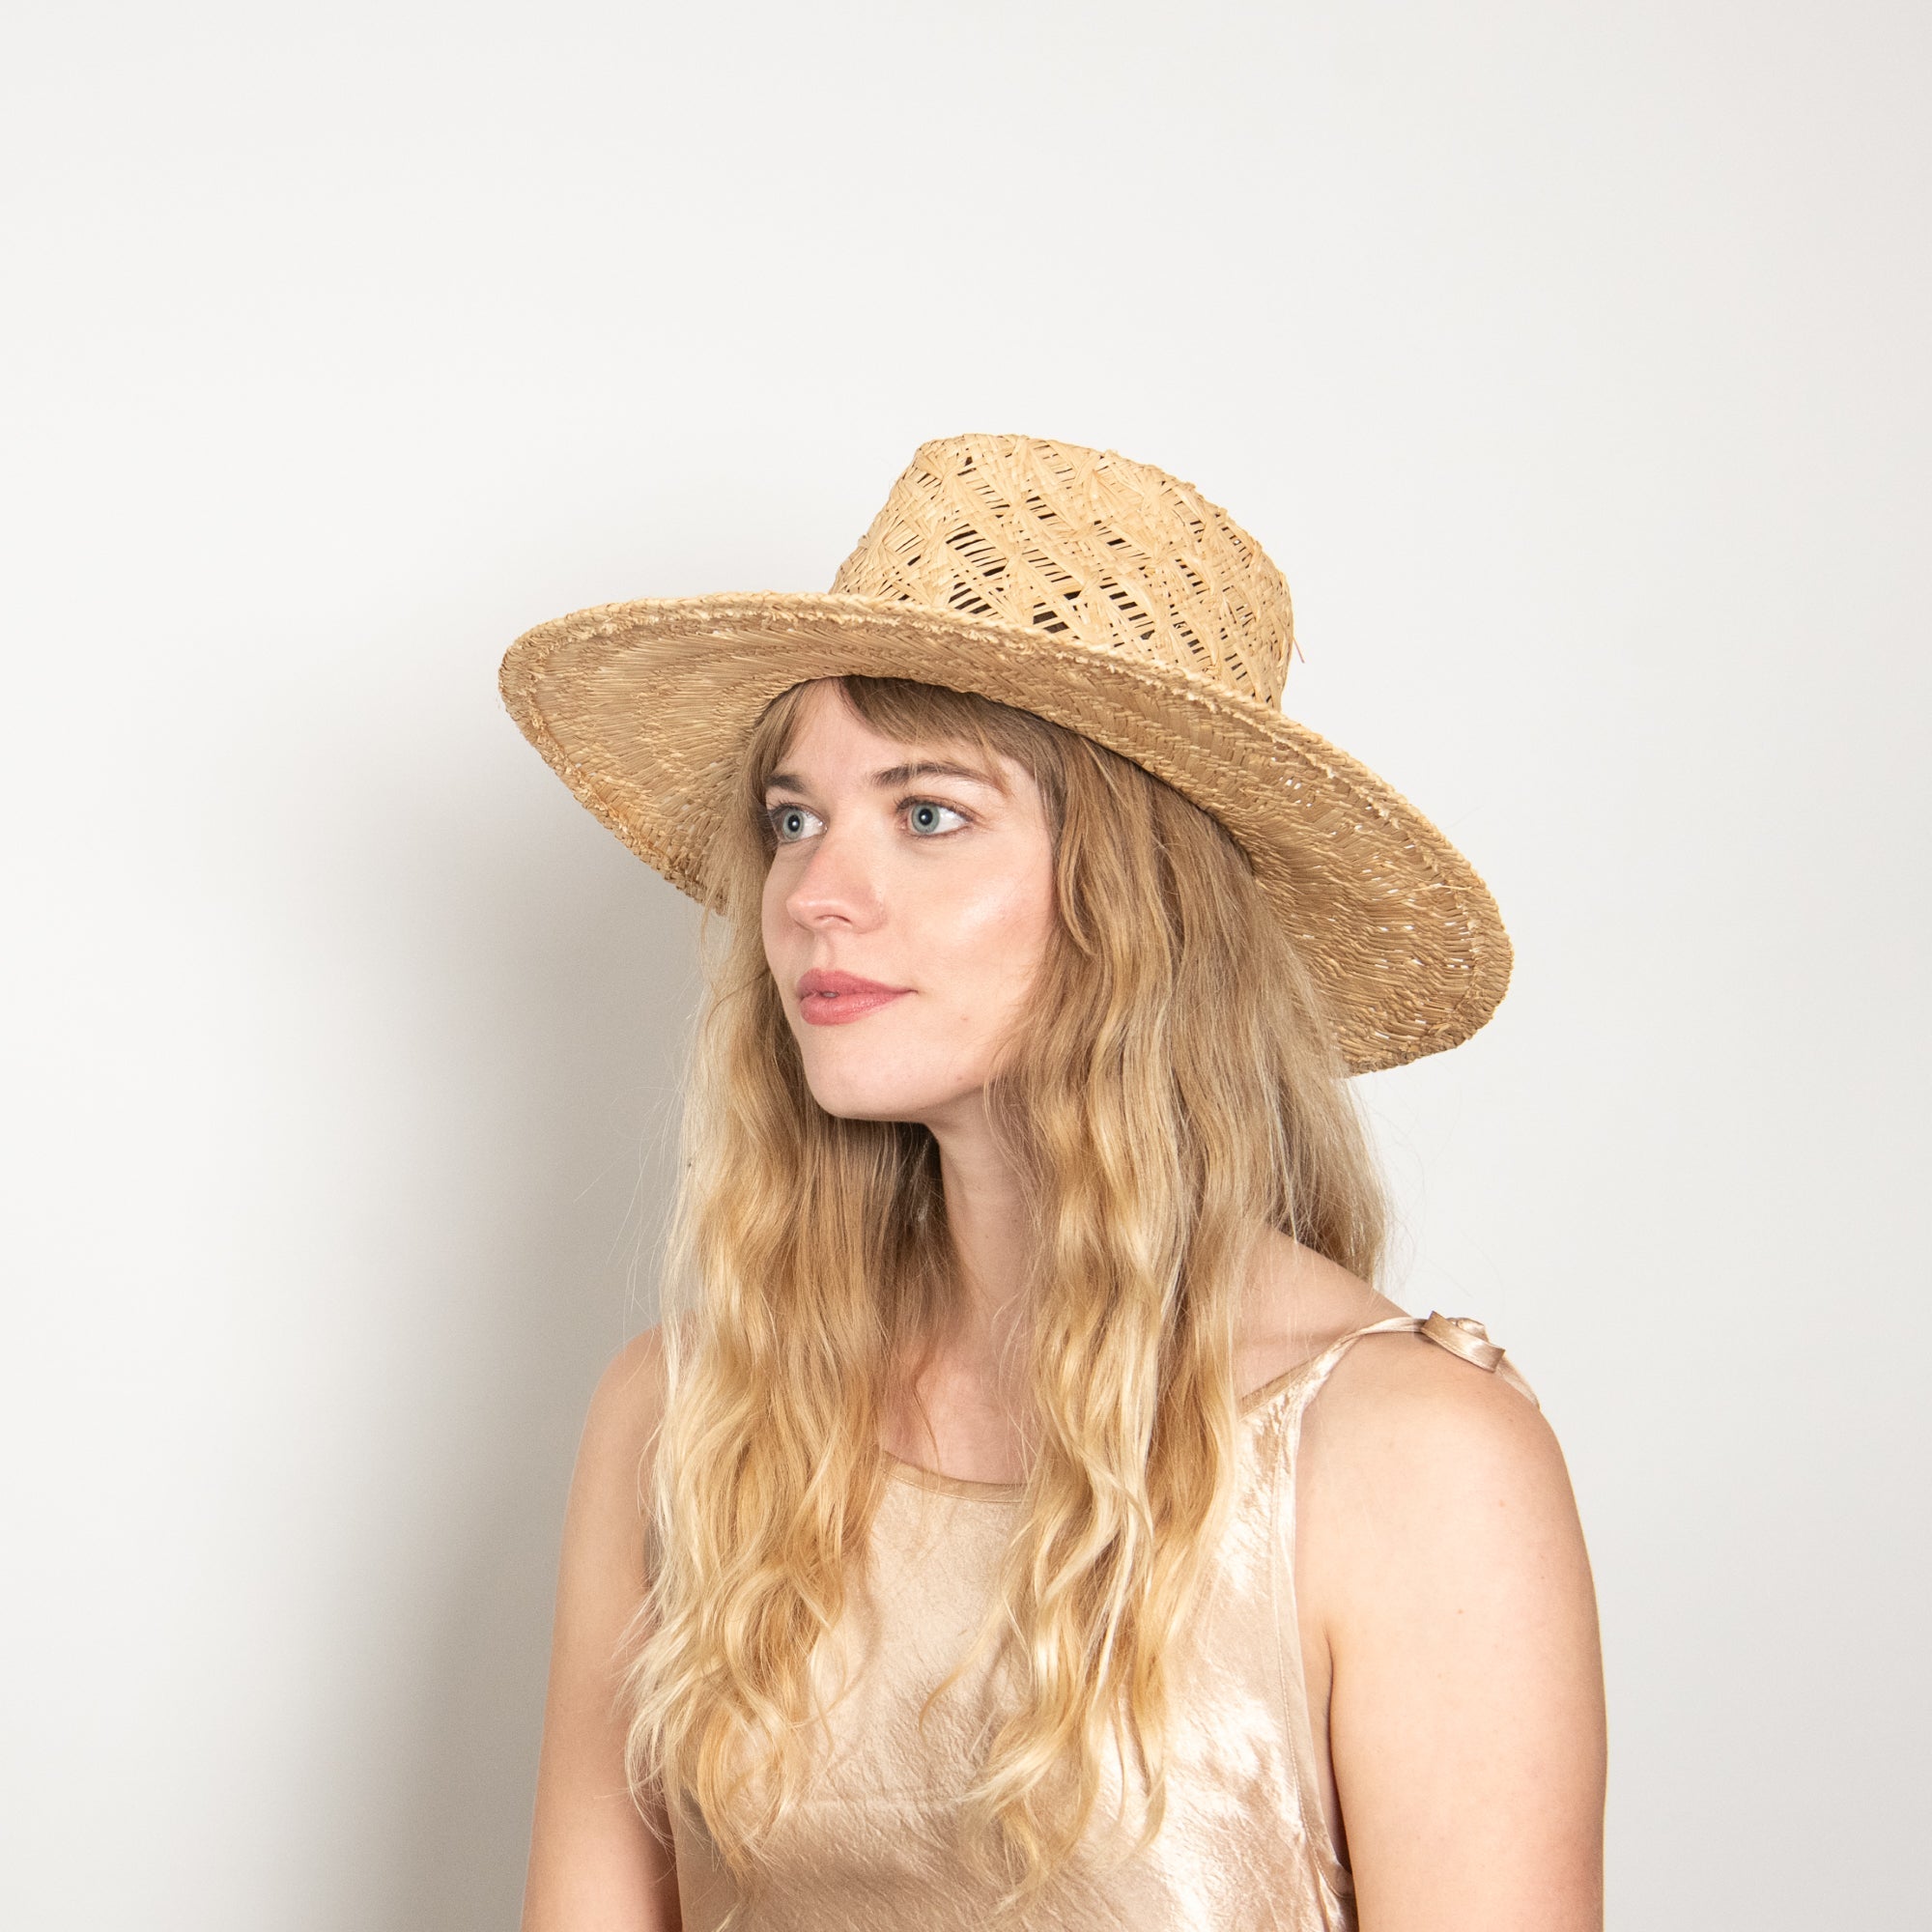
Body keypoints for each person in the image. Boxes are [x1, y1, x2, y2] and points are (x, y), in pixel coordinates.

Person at [502, 434, 1606, 1931]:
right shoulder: (689, 1418)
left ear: (1133, 901)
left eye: (929, 812)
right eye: (794, 817)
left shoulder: (1406, 1459)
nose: (816, 893)